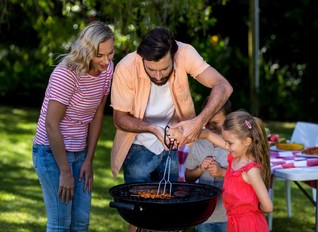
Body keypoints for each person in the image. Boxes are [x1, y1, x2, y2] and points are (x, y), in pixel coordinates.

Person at [110, 27, 232, 232]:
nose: (158, 76)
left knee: (172, 212)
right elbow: (119, 119)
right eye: (151, 69)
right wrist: (152, 129)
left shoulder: (185, 54)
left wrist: (198, 121)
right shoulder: (126, 67)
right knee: (139, 215)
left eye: (164, 69)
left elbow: (223, 86)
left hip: (172, 146)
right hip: (137, 147)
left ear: (173, 56)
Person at [32, 21, 115, 231]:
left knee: (80, 223)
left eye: (110, 53)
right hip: (52, 152)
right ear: (87, 51)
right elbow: (51, 124)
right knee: (60, 224)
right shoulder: (67, 74)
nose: (106, 61)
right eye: (100, 55)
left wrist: (89, 159)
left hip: (80, 151)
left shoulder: (107, 69)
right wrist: (65, 171)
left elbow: (98, 113)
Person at [170, 109, 273, 232]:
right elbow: (208, 135)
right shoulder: (234, 157)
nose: (226, 146)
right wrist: (184, 134)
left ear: (247, 142)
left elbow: (268, 207)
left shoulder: (251, 170)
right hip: (233, 222)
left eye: (229, 143)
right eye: (226, 142)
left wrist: (250, 210)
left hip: (249, 224)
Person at [183, 97, 232, 232]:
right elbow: (188, 177)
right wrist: (200, 169)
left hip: (228, 214)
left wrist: (221, 172)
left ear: (228, 119)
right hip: (205, 214)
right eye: (207, 122)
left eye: (216, 122)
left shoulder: (234, 146)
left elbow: (244, 176)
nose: (210, 126)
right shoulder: (198, 145)